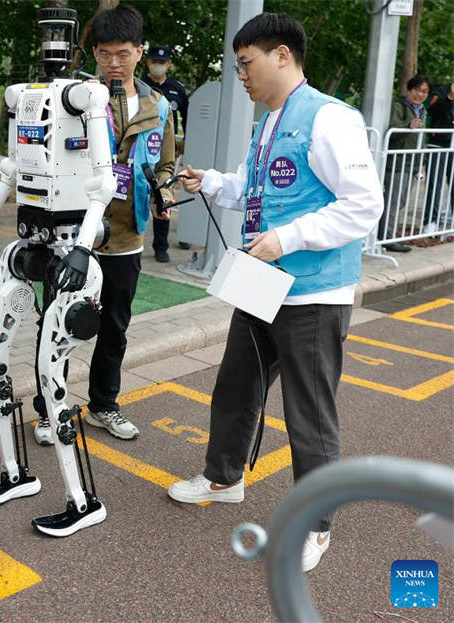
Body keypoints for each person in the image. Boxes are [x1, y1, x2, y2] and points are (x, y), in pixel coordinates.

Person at [169, 13, 382, 573]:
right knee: (235, 387)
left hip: (313, 293)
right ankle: (223, 478)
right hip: (261, 284)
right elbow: (254, 188)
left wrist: (289, 238)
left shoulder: (330, 118)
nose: (241, 75)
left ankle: (317, 522)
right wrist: (212, 183)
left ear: (282, 55)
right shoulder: (269, 123)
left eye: (247, 63)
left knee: (309, 413)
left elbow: (364, 205)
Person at [34, 4, 175, 444]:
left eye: (124, 54)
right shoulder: (75, 100)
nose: (115, 63)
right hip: (74, 234)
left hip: (127, 235)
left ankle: (103, 405)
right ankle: (49, 408)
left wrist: (163, 192)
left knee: (115, 327)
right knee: (56, 323)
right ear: (94, 53)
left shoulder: (159, 106)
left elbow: (166, 162)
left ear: (140, 52)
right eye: (106, 54)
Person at [141, 44, 188, 263]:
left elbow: (186, 118)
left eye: (162, 62)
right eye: (154, 62)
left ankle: (161, 246)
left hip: (165, 151)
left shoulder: (177, 89)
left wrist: (185, 140)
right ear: (148, 62)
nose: (158, 66)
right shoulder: (139, 86)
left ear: (168, 64)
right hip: (141, 150)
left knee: (163, 195)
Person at [380, 74, 432, 252]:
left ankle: (385, 234)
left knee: (400, 201)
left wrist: (422, 160)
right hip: (397, 162)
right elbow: (392, 130)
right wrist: (408, 126)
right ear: (410, 89)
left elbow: (420, 138)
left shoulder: (422, 110)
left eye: (424, 91)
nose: (420, 94)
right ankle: (386, 238)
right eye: (417, 90)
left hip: (412, 163)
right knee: (393, 201)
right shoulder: (400, 106)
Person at [423, 81, 454, 234]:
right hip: (438, 144)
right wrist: (450, 97)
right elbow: (432, 111)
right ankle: (430, 221)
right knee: (434, 183)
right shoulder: (442, 91)